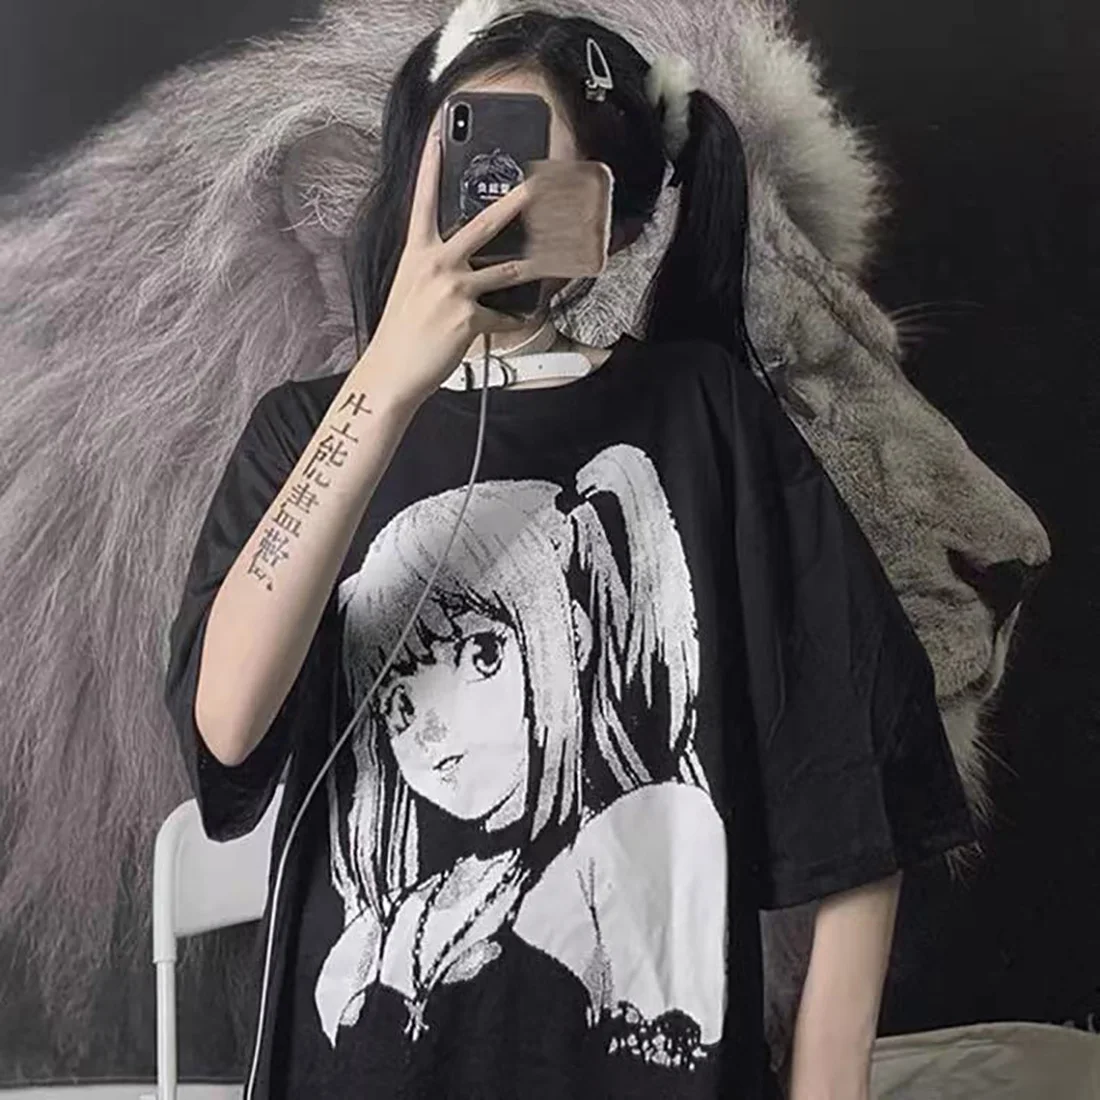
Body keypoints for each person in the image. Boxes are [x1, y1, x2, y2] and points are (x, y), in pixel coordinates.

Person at [163, 3, 976, 1098]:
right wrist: (387, 379)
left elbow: (865, 779)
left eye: (531, 172)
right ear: (407, 173)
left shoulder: (704, 418)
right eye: (468, 156)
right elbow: (226, 723)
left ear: (610, 219)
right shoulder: (300, 431)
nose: (493, 200)